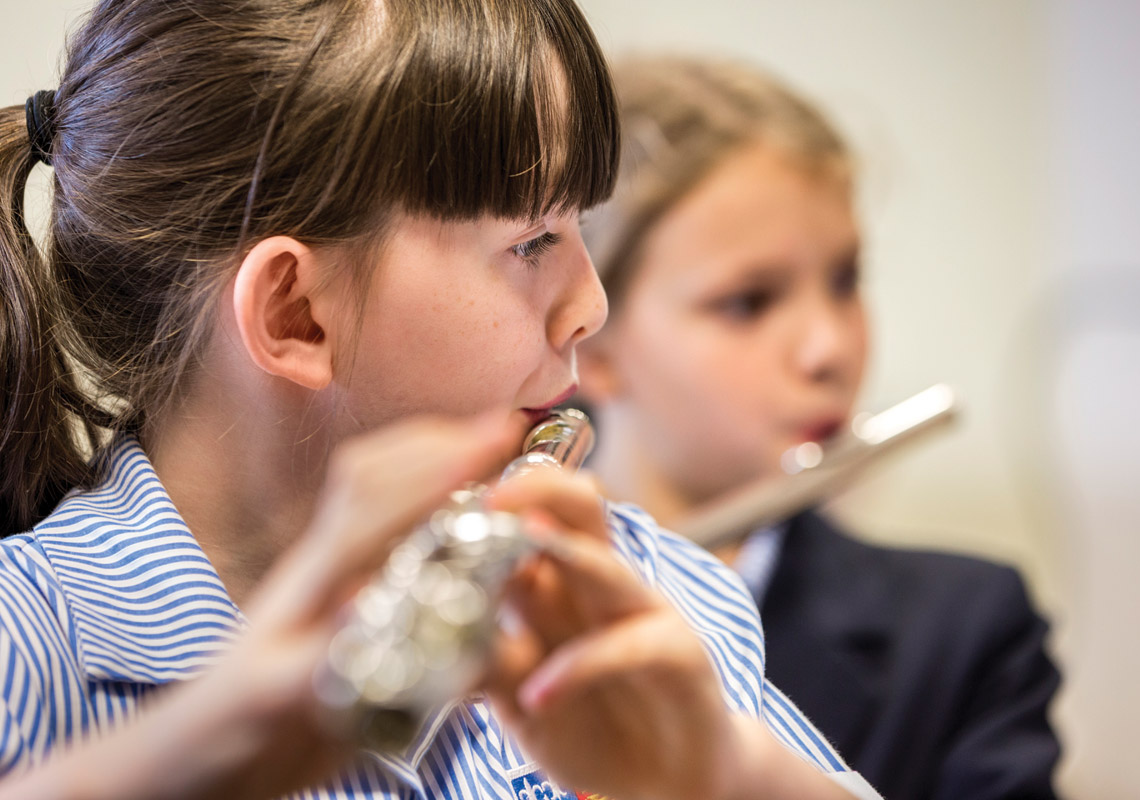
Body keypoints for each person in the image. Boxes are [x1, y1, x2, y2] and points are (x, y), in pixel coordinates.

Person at [0, 3, 883, 799]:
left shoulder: (647, 590)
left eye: (581, 226)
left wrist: (725, 773)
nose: (592, 306)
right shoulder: (27, 650)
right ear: (296, 314)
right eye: (533, 241)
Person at [577, 55, 1062, 800]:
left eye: (845, 280)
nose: (829, 347)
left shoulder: (964, 630)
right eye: (749, 302)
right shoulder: (486, 604)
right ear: (594, 347)